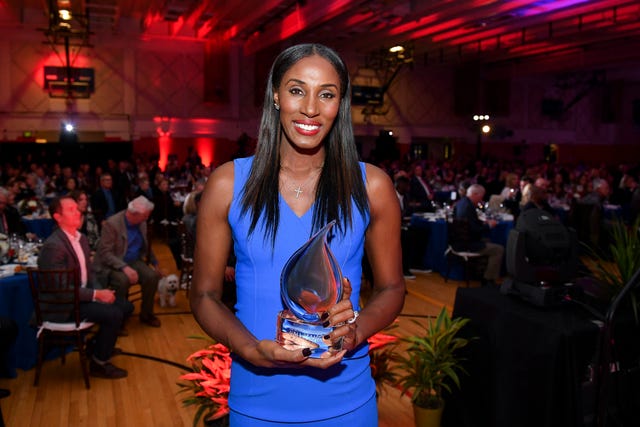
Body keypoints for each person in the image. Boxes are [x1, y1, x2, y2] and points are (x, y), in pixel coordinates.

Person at [190, 43, 405, 426]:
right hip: (257, 399)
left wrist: (354, 332)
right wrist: (250, 348)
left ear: (340, 103)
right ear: (275, 95)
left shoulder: (371, 185)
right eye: (296, 90)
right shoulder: (228, 183)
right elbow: (204, 294)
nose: (310, 108)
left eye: (326, 94)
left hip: (346, 401)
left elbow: (392, 289)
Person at [38, 195, 132, 379]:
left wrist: (102, 293)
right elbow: (62, 291)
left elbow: (89, 276)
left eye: (77, 208)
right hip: (63, 306)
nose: (78, 212)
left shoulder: (80, 239)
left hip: (79, 297)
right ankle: (99, 363)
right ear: (58, 217)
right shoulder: (54, 246)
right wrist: (97, 295)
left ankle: (96, 348)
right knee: (113, 314)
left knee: (126, 306)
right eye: (71, 210)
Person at [92, 196, 162, 327]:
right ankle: (117, 319)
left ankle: (147, 314)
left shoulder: (141, 222)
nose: (147, 218)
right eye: (145, 216)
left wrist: (155, 262)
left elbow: (146, 246)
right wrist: (124, 267)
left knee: (152, 277)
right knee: (122, 281)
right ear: (134, 214)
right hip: (113, 263)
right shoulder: (112, 224)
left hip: (134, 260)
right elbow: (105, 253)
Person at [454, 184, 504, 287]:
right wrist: (489, 226)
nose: (481, 199)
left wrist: (483, 223)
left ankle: (479, 272)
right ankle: (488, 279)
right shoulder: (469, 207)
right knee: (499, 249)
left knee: (488, 241)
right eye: (481, 196)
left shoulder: (461, 203)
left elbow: (470, 225)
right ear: (475, 194)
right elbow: (474, 230)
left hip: (458, 241)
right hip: (468, 244)